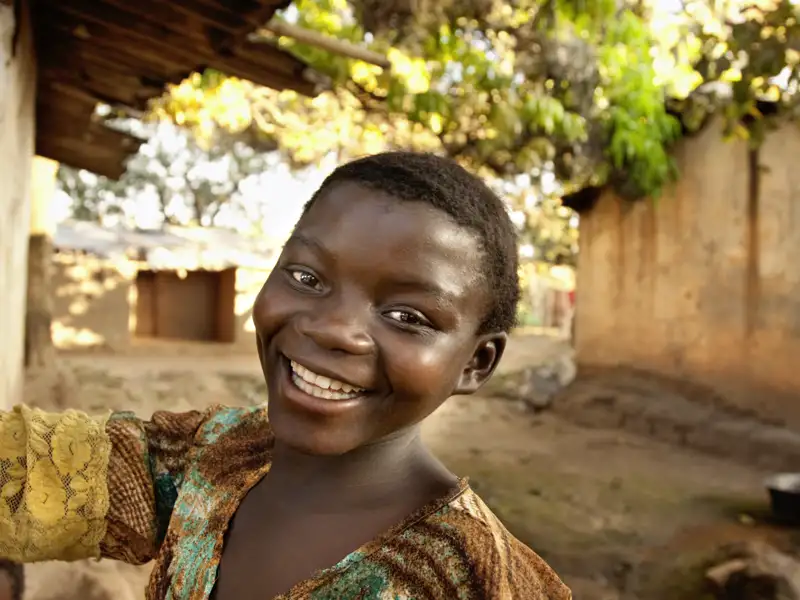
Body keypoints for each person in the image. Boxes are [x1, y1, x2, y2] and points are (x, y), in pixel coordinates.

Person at [0, 152, 571, 599]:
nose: (332, 330)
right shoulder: (209, 459)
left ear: (477, 363)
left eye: (406, 316)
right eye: (305, 276)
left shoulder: (477, 581)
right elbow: (24, 471)